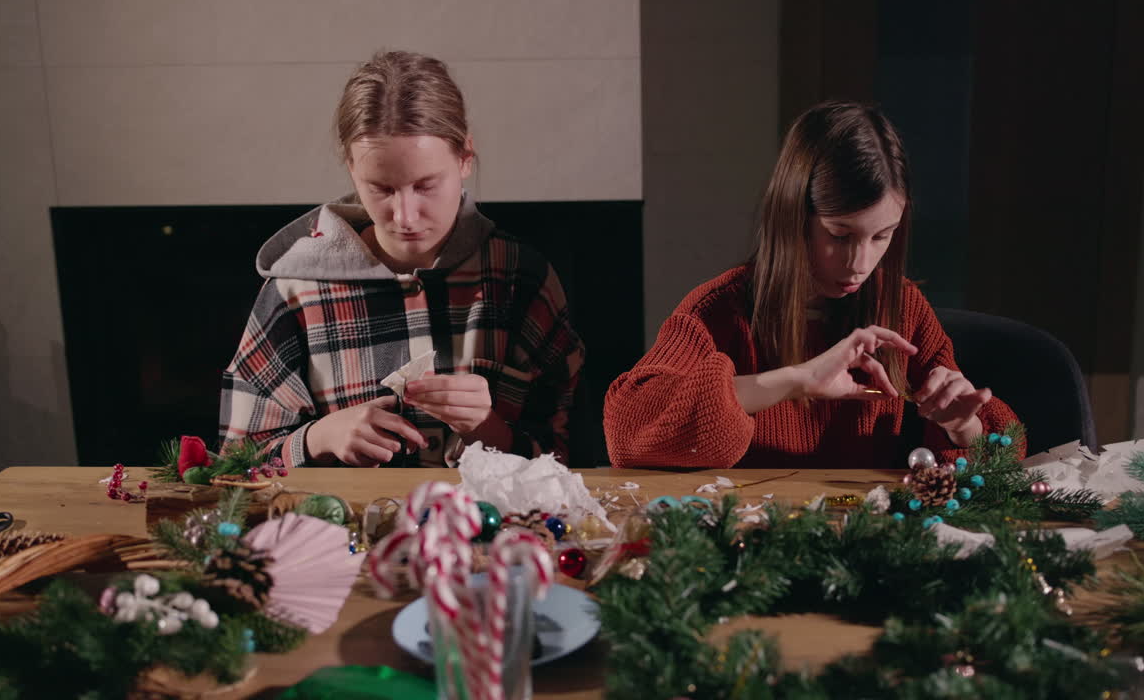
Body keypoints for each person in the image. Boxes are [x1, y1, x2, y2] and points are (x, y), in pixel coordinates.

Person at [604, 101, 1019, 469]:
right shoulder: (715, 311)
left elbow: (1005, 450)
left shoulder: (903, 306)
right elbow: (625, 433)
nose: (860, 264)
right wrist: (796, 379)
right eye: (839, 236)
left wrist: (963, 426)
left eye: (882, 236)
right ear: (793, 218)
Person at [220, 51, 584, 468]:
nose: (405, 217)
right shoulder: (293, 293)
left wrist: (487, 428)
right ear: (351, 168)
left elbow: (575, 461)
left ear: (465, 158)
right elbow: (233, 465)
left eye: (426, 186)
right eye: (381, 189)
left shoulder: (522, 280)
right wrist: (318, 437)